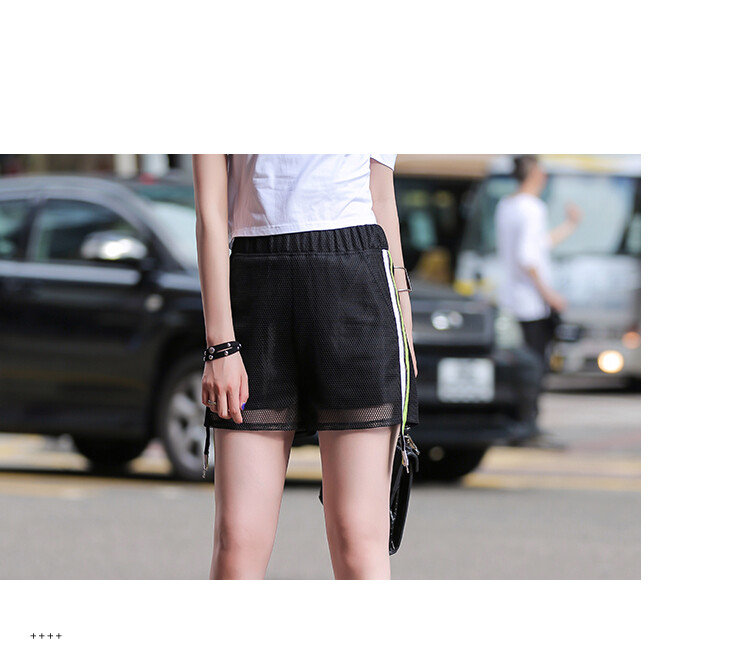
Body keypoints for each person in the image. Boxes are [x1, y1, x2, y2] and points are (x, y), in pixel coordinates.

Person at [193, 154, 419, 580]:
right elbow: (210, 211)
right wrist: (219, 345)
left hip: (357, 281)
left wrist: (404, 308)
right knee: (237, 538)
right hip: (255, 288)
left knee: (358, 536)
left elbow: (380, 192)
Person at [494, 155, 581, 422]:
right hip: (531, 303)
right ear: (534, 174)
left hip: (510, 298)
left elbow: (538, 244)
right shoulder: (533, 208)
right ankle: (527, 422)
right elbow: (528, 257)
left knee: (516, 363)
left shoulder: (506, 206)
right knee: (535, 367)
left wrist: (570, 225)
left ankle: (516, 419)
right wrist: (549, 295)